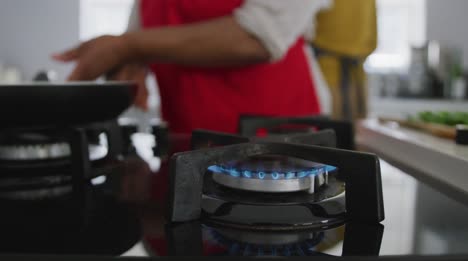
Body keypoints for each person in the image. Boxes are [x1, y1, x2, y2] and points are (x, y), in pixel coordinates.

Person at [54, 0, 332, 134]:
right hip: (186, 141)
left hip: (277, 144)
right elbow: (145, 34)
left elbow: (257, 37)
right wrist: (131, 64)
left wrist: (125, 47)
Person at [312, 0, 377, 121]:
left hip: (326, 75)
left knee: (331, 132)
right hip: (353, 75)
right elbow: (373, 39)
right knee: (356, 133)